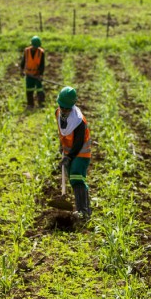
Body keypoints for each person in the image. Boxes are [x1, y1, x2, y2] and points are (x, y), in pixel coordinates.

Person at [56, 87, 91, 219]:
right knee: (74, 180)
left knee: (77, 176)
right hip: (69, 151)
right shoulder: (58, 113)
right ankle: (85, 208)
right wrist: (62, 149)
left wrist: (69, 157)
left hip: (81, 152)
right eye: (61, 107)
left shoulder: (79, 121)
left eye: (66, 108)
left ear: (72, 106)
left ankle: (83, 211)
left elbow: (78, 142)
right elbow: (62, 133)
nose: (63, 110)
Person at [20, 36, 46, 108]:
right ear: (31, 45)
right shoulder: (26, 51)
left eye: (36, 47)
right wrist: (21, 70)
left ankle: (41, 104)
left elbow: (42, 65)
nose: (35, 48)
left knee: (39, 89)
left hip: (37, 74)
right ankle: (30, 104)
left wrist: (40, 75)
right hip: (29, 74)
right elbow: (23, 61)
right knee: (29, 90)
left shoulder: (41, 52)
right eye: (34, 46)